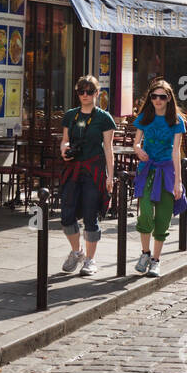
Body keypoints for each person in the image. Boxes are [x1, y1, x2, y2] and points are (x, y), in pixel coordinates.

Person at [58, 75, 117, 276]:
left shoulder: (104, 118)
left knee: (91, 215)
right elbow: (65, 140)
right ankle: (77, 252)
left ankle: (90, 260)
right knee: (66, 215)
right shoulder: (70, 115)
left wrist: (110, 176)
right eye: (81, 91)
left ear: (97, 93)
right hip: (73, 169)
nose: (85, 95)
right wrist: (64, 150)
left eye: (89, 91)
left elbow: (109, 149)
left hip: (94, 170)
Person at [131, 80, 187, 277]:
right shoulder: (145, 117)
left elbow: (176, 152)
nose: (157, 100)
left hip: (167, 172)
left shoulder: (177, 121)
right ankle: (145, 253)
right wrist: (138, 149)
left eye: (162, 96)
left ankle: (156, 260)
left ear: (169, 98)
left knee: (163, 217)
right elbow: (136, 142)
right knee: (145, 212)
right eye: (154, 96)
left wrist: (178, 182)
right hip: (147, 170)